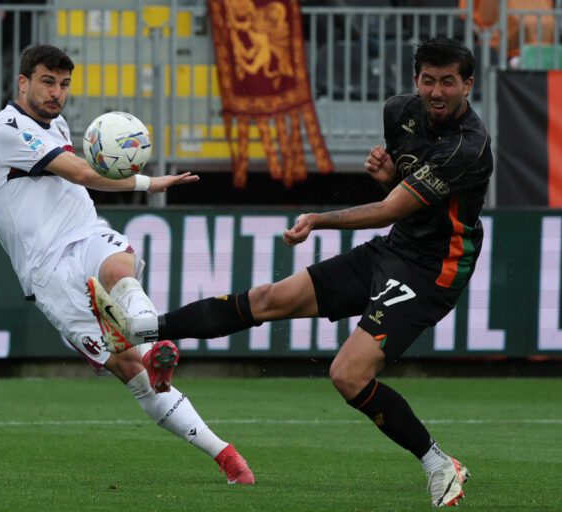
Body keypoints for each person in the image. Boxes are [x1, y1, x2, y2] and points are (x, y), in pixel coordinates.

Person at [90, 38, 491, 507]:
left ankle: (439, 463)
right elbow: (401, 192)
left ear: (468, 84)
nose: (436, 91)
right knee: (267, 299)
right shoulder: (399, 110)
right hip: (393, 249)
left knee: (347, 374)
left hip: (432, 271)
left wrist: (321, 218)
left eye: (448, 82)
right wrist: (388, 176)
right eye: (428, 79)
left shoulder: (468, 145)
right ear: (415, 79)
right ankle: (142, 327)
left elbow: (389, 209)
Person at [0, 44, 255, 485]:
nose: (57, 93)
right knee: (134, 372)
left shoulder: (59, 122)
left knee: (119, 265)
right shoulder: (7, 129)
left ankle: (148, 337)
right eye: (48, 82)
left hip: (85, 232)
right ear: (23, 83)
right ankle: (221, 451)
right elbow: (84, 174)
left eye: (65, 84)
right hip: (48, 269)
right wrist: (150, 182)